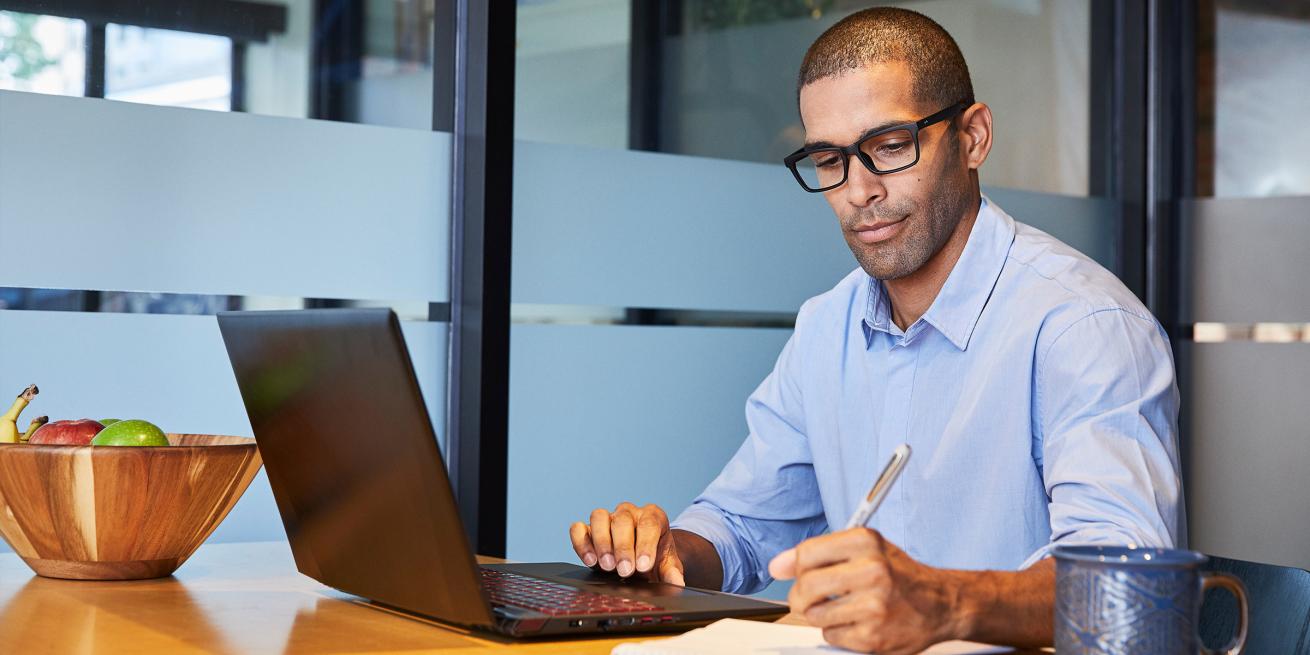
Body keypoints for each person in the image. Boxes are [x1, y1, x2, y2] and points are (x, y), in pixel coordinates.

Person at [567, 7, 1183, 653]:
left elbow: (1123, 587)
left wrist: (942, 602)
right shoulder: (827, 325)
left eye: (890, 146)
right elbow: (744, 525)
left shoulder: (1083, 325)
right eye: (829, 158)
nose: (858, 190)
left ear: (972, 137)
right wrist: (665, 553)